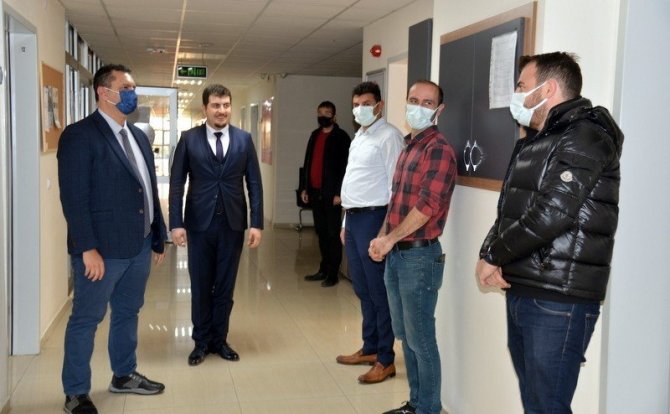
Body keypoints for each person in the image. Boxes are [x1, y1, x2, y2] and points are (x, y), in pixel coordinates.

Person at [475, 52, 623, 413]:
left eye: (521, 86)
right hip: (526, 287)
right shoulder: (537, 139)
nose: (516, 94)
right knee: (536, 402)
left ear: (549, 88)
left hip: (559, 297)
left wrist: (495, 255)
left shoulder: (585, 136)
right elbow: (510, 209)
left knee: (548, 405)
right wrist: (488, 252)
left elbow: (552, 214)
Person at [57, 64, 167, 414]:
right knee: (86, 320)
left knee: (128, 312)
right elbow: (74, 199)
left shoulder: (138, 136)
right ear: (104, 92)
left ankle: (124, 374)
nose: (133, 93)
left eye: (133, 87)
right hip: (102, 251)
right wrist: (86, 248)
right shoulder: (80, 136)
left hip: (139, 246)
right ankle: (76, 392)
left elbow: (147, 189)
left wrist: (158, 236)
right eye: (127, 87)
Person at [369, 80, 457, 414]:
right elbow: (396, 204)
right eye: (413, 99)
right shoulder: (409, 147)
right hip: (397, 255)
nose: (418, 107)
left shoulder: (438, 149)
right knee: (405, 336)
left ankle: (429, 409)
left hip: (419, 257)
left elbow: (426, 206)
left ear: (439, 110)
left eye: (427, 102)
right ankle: (416, 403)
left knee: (421, 338)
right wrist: (382, 237)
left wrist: (390, 239)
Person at [169, 84, 263, 367]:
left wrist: (256, 223)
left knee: (225, 285)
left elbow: (254, 183)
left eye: (226, 105)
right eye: (215, 105)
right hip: (199, 224)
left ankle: (219, 340)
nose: (221, 111)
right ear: (205, 108)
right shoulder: (189, 139)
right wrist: (176, 224)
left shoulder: (244, 139)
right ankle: (200, 342)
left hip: (232, 224)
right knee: (201, 284)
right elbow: (176, 184)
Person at [336, 82, 403, 384]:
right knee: (362, 289)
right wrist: (344, 224)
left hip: (374, 219)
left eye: (366, 103)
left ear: (379, 105)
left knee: (379, 291)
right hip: (354, 219)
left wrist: (385, 232)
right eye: (356, 104)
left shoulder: (389, 137)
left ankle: (385, 359)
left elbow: (395, 189)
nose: (360, 109)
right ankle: (370, 347)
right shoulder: (360, 136)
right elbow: (353, 181)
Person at [300, 101, 351, 287]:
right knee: (321, 233)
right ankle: (323, 268)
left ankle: (333, 273)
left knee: (332, 234)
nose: (323, 116)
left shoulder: (341, 137)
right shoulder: (314, 135)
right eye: (320, 112)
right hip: (315, 193)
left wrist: (339, 193)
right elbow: (308, 162)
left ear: (334, 117)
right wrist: (305, 187)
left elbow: (346, 168)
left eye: (327, 113)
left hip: (332, 195)